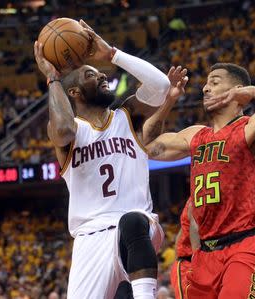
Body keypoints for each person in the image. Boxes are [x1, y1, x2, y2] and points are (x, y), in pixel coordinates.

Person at [34, 19, 187, 299]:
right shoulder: (69, 129)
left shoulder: (126, 115)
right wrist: (52, 77)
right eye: (92, 75)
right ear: (75, 92)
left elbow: (161, 85)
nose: (103, 76)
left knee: (131, 221)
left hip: (137, 228)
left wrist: (111, 54)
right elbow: (65, 130)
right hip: (90, 240)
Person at [144, 63, 255, 298]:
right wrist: (168, 100)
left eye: (215, 82)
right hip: (206, 251)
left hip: (248, 243)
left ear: (238, 89)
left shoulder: (254, 125)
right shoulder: (196, 135)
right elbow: (145, 145)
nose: (206, 88)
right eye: (206, 83)